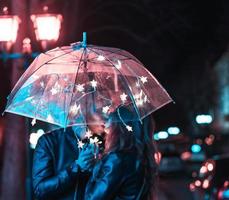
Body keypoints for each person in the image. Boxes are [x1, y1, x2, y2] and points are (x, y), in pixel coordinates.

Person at [84, 106, 158, 200]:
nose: (106, 132)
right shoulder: (139, 156)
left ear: (118, 129)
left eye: (109, 126)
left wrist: (94, 169)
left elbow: (92, 198)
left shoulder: (117, 159)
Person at [32, 113, 106, 200]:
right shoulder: (49, 142)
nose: (104, 120)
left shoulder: (102, 143)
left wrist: (98, 166)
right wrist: (76, 168)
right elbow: (40, 190)